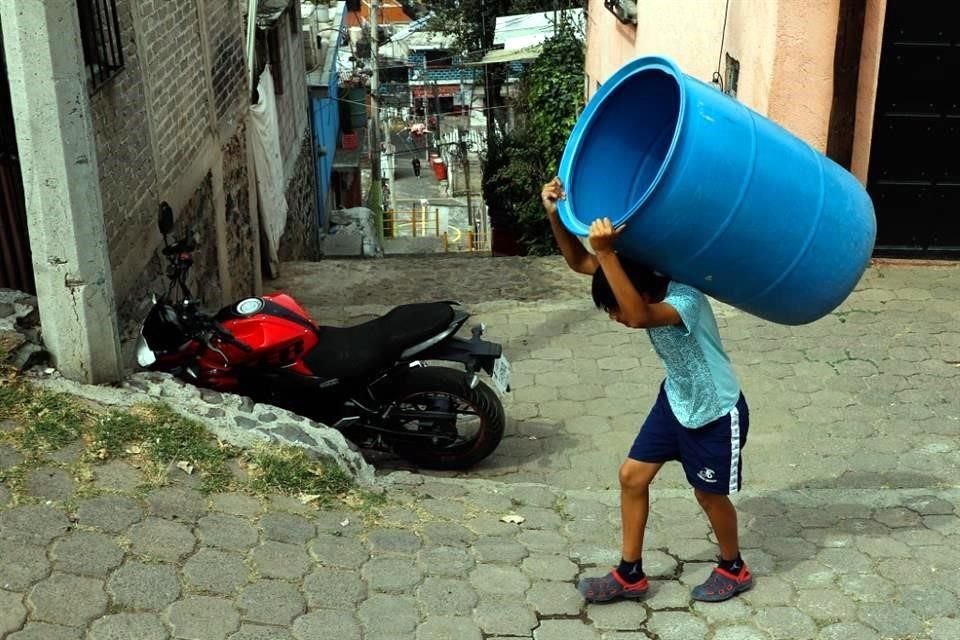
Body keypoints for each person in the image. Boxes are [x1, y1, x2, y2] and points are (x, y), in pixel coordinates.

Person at [540, 176, 753, 603]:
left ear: (637, 289)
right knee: (632, 477)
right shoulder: (636, 274)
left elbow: (638, 316)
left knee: (708, 494)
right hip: (675, 399)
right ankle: (630, 574)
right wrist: (555, 217)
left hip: (715, 410)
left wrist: (605, 252)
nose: (617, 318)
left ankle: (734, 567)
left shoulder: (685, 298)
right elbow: (582, 265)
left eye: (615, 308)